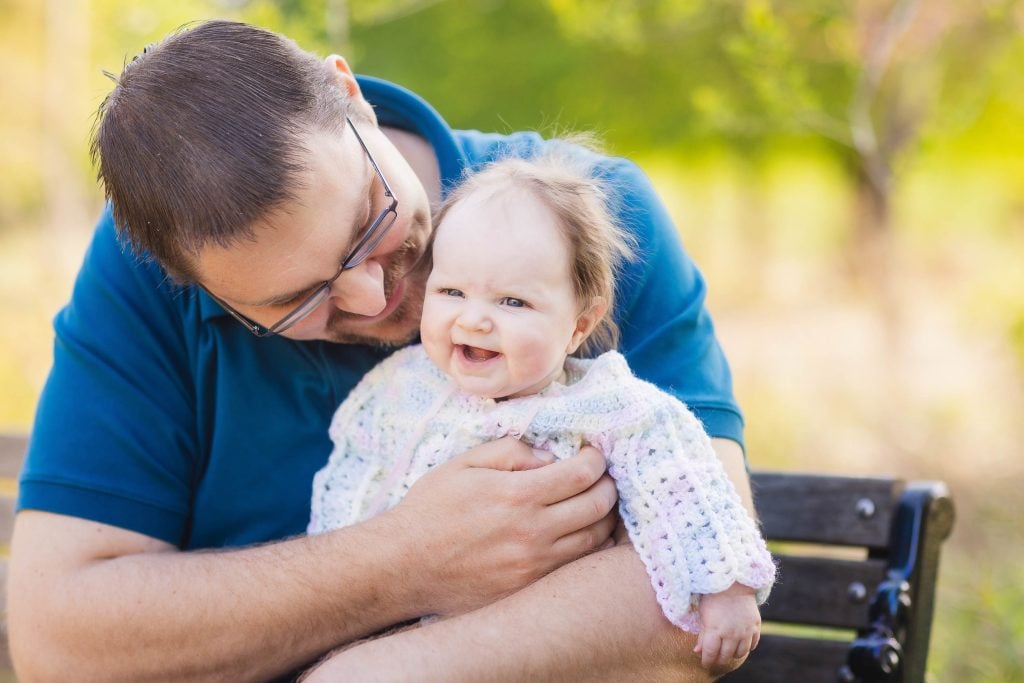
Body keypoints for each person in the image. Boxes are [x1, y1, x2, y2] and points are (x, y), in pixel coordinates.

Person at [7, 19, 754, 682]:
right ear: (197, 285)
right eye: (295, 301)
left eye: (370, 218)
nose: (373, 295)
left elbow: (701, 567)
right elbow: (58, 640)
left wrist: (379, 668)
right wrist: (403, 562)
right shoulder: (147, 273)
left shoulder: (584, 225)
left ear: (350, 96)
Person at [305, 154, 775, 676]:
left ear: (579, 324)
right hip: (406, 632)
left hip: (536, 652)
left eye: (512, 302)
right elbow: (351, 483)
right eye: (452, 292)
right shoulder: (397, 389)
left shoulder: (608, 407)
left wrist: (726, 587)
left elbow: (687, 488)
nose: (475, 319)